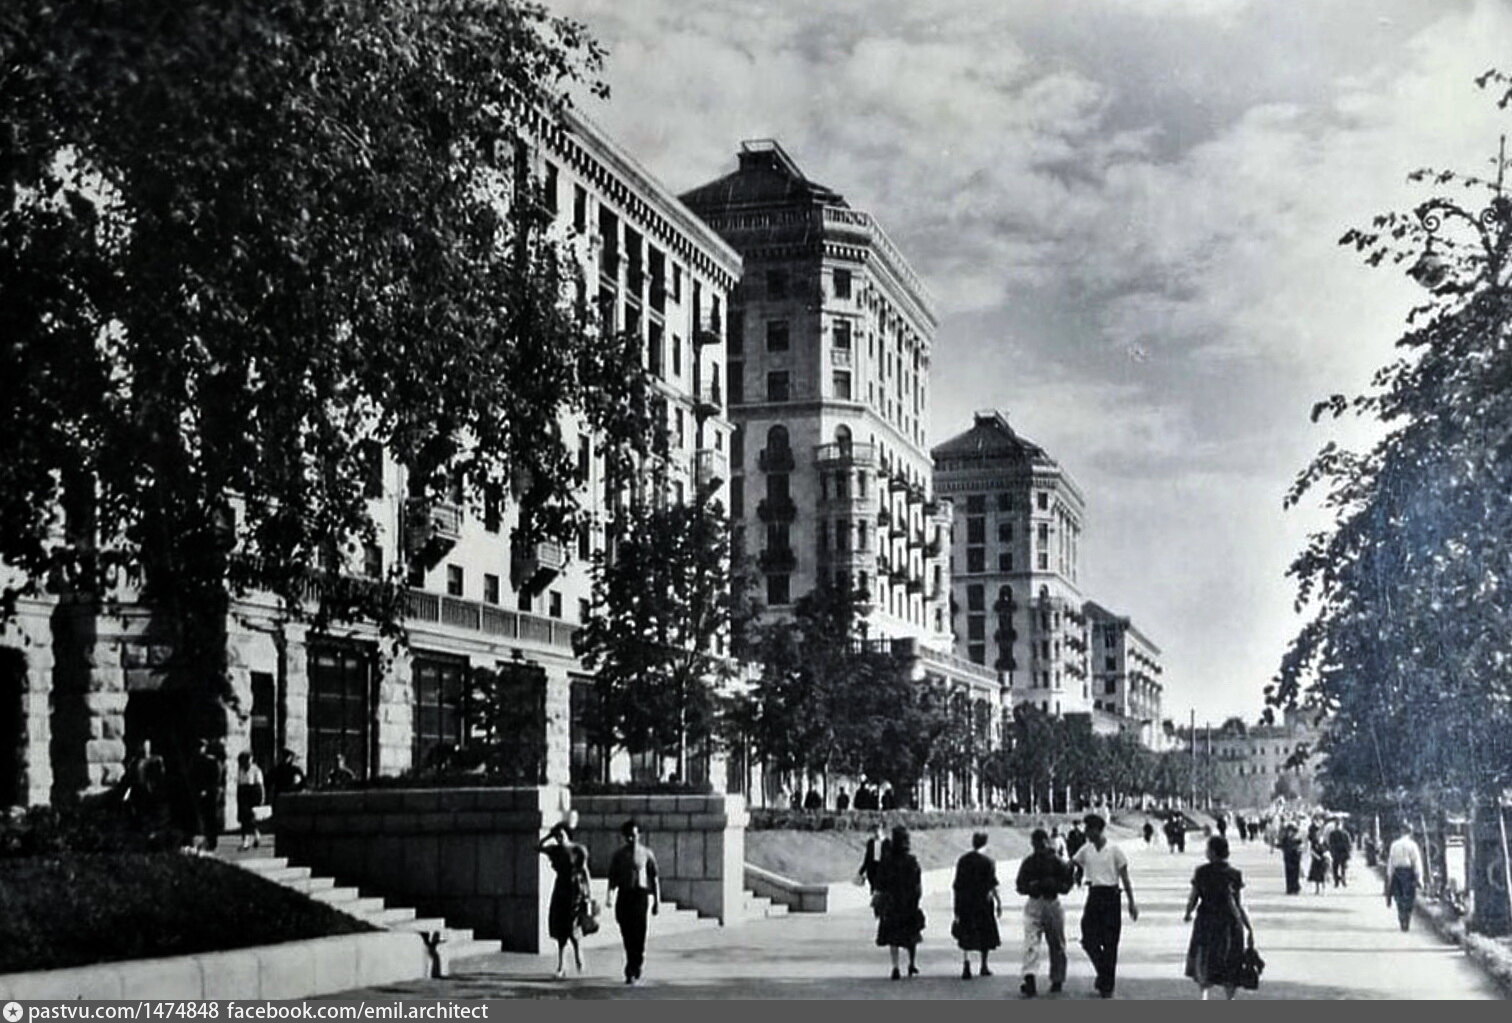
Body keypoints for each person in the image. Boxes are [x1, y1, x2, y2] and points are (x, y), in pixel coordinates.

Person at [1071, 814, 1139, 998]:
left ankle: (1107, 985)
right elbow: (1073, 863)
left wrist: (1131, 903)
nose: (1086, 832)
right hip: (1094, 895)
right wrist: (1073, 873)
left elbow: (1125, 878)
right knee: (1088, 938)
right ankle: (1104, 974)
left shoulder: (1115, 850)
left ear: (1098, 829)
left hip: (1111, 897)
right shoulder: (1086, 849)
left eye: (1088, 828)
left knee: (1110, 942)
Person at [1184, 836, 1254, 1000]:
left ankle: (1204, 996)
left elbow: (1193, 897)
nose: (1206, 851)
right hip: (1229, 924)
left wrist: (1188, 912)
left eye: (1208, 849)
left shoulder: (1201, 872)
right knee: (1230, 961)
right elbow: (1240, 904)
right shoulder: (1234, 874)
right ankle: (1229, 999)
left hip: (1206, 922)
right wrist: (1248, 926)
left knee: (1204, 958)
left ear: (1213, 852)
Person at [1016, 827, 1074, 997]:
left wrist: (1052, 885)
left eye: (1041, 844)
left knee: (1047, 943)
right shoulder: (1036, 862)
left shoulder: (1051, 861)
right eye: (1037, 844)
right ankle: (1039, 978)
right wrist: (1033, 886)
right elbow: (1020, 885)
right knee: (1037, 943)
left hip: (1046, 901)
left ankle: (1046, 978)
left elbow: (1067, 884)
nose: (1040, 847)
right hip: (1043, 902)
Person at [606, 819, 660, 984]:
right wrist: (609, 895)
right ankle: (631, 965)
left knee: (639, 933)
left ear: (639, 835)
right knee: (627, 933)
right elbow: (612, 878)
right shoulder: (619, 855)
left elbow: (654, 878)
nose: (631, 839)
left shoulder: (647, 854)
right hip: (625, 895)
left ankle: (635, 964)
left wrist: (657, 901)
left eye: (634, 835)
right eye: (628, 836)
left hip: (640, 895)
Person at [538, 819, 592, 978]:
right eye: (557, 836)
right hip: (561, 888)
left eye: (561, 834)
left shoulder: (578, 849)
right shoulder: (555, 850)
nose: (559, 838)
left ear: (567, 834)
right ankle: (561, 965)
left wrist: (588, 894)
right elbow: (538, 847)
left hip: (575, 889)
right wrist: (548, 836)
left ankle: (578, 953)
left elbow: (585, 872)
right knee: (560, 926)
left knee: (572, 924)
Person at [876, 825, 924, 980]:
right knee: (911, 934)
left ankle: (895, 966)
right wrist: (916, 899)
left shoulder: (887, 861)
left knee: (893, 936)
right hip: (909, 902)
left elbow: (880, 883)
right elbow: (917, 884)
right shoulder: (912, 860)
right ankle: (911, 963)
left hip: (892, 903)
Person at [951, 832, 1001, 979]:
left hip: (966, 901)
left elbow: (957, 885)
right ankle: (984, 965)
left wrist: (956, 905)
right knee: (985, 932)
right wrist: (999, 902)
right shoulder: (988, 862)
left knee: (966, 932)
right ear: (985, 844)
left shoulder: (963, 860)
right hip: (983, 902)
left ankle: (966, 964)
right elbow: (992, 884)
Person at [1385, 822, 1423, 932]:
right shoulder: (1412, 845)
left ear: (1401, 832)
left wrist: (1389, 875)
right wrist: (1419, 877)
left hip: (1397, 872)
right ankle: (1407, 919)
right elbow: (1416, 862)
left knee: (1399, 897)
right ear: (1410, 832)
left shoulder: (1394, 845)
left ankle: (1401, 917)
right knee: (1409, 897)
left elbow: (1391, 861)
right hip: (1408, 873)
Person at [190, 738, 226, 853]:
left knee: (211, 817)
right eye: (199, 747)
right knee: (204, 817)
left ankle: (212, 840)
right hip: (199, 792)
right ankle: (206, 838)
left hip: (210, 793)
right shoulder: (194, 761)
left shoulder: (211, 761)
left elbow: (216, 777)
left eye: (202, 747)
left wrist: (209, 789)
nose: (200, 749)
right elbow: (193, 777)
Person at [234, 751, 265, 850]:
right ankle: (245, 841)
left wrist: (261, 799)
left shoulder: (256, 770)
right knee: (244, 819)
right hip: (243, 793)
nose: (245, 763)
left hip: (253, 793)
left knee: (251, 819)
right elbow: (239, 784)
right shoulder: (240, 770)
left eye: (248, 759)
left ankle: (256, 835)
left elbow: (260, 786)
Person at [1280, 823, 1303, 895]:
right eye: (1289, 831)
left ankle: (1295, 887)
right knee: (1289, 873)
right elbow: (1283, 847)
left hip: (1295, 858)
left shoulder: (1297, 840)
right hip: (1288, 858)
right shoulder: (1285, 839)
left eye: (1292, 831)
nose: (1290, 833)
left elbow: (1300, 848)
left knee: (1295, 874)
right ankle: (1290, 888)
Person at [1328, 821, 1352, 887]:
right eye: (1337, 825)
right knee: (1338, 868)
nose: (1338, 827)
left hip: (1340, 853)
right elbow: (1331, 844)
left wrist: (1348, 852)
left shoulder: (1344, 834)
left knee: (1341, 868)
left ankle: (1340, 880)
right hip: (1338, 853)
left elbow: (1348, 843)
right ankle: (1339, 880)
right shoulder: (1335, 834)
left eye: (1338, 825)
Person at [1307, 828, 1330, 894]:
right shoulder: (1314, 841)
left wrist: (1326, 855)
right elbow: (1311, 850)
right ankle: (1317, 889)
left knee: (1324, 875)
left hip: (1324, 860)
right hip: (1316, 860)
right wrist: (1316, 856)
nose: (1319, 835)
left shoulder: (1325, 841)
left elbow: (1328, 849)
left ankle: (1324, 889)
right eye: (1318, 833)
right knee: (1316, 876)